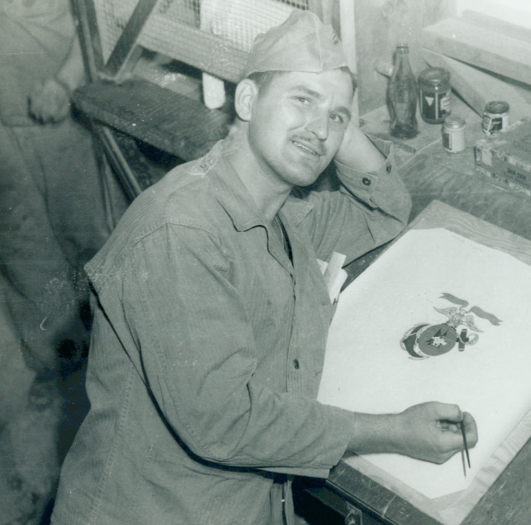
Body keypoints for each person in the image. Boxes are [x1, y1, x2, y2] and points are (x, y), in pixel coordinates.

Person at [51, 10, 477, 525]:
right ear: (248, 100)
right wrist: (393, 430)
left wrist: (324, 126)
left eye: (338, 117)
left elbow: (384, 208)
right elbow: (225, 423)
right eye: (301, 99)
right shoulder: (181, 232)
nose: (321, 127)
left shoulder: (282, 213)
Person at [0, 0, 126, 522]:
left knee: (90, 242)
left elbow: (99, 23)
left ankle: (111, 375)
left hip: (65, 117)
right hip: (3, 134)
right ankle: (54, 375)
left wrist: (67, 79)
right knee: (25, 256)